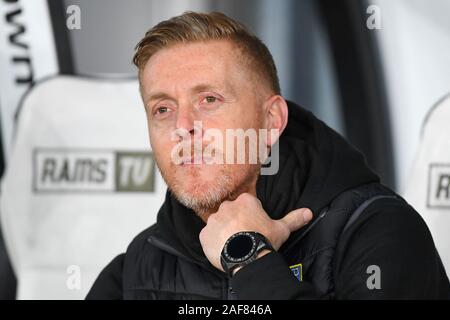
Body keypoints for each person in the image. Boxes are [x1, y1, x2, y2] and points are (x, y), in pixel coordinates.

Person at [86, 11, 450, 299]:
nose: (183, 126)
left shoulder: (378, 232)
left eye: (209, 100)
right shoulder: (139, 267)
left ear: (271, 119)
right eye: (162, 109)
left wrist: (249, 258)